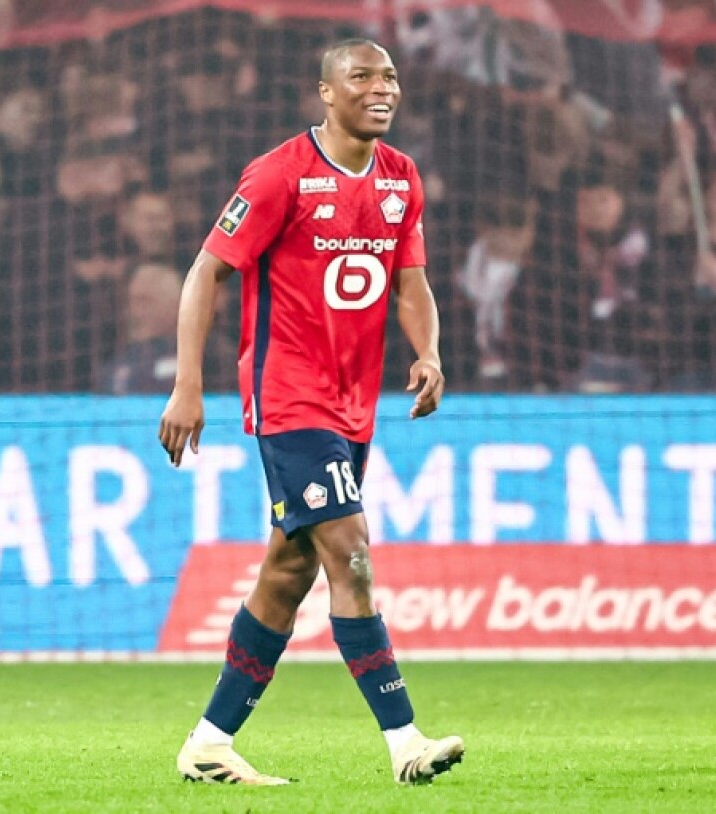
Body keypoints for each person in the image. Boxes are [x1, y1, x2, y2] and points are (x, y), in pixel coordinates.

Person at [159, 38, 464, 787]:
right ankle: (405, 744)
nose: (380, 88)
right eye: (361, 77)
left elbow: (411, 283)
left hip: (355, 404)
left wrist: (427, 351)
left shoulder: (401, 178)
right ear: (326, 93)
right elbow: (206, 271)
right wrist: (187, 383)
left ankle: (208, 743)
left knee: (287, 575)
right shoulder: (279, 174)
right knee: (351, 554)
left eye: (389, 76)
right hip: (289, 395)